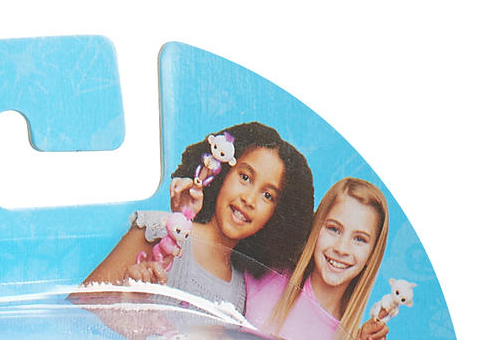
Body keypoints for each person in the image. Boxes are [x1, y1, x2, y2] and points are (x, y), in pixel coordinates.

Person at [83, 122, 315, 315]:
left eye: (267, 195)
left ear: (277, 214)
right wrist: (124, 299)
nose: (249, 199)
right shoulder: (158, 230)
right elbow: (76, 310)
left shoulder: (241, 293)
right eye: (245, 177)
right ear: (223, 172)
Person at [244, 176, 393, 340]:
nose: (341, 248)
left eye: (359, 239)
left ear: (372, 254)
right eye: (334, 229)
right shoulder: (265, 275)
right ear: (317, 227)